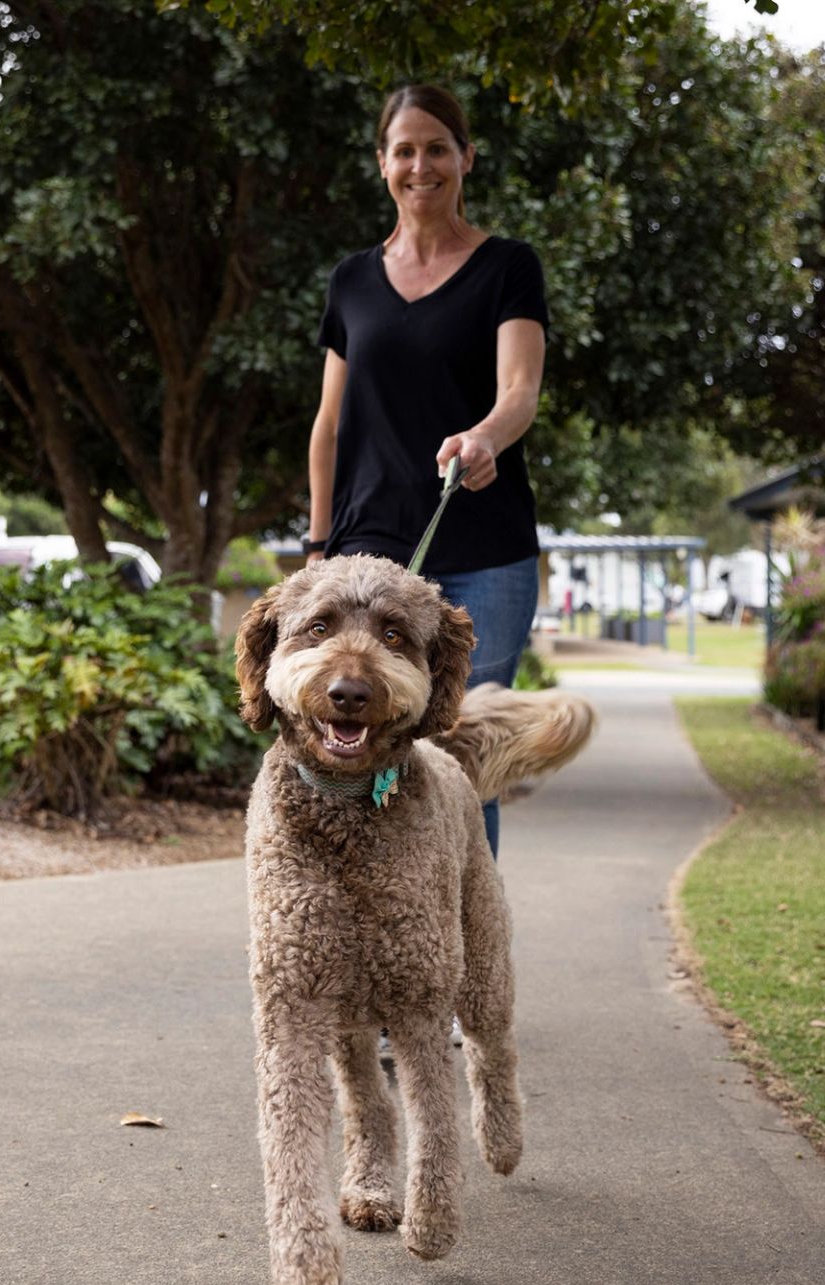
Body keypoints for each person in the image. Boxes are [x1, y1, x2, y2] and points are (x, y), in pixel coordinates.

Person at [308, 83, 549, 859]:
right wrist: (317, 546)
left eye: (437, 149)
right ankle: (369, 910)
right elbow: (329, 424)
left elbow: (520, 391)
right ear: (382, 163)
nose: (422, 166)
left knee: (459, 749)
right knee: (356, 739)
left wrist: (484, 438)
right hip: (368, 550)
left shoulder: (507, 267)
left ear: (466, 158)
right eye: (405, 151)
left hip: (485, 550)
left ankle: (463, 915)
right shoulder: (351, 281)